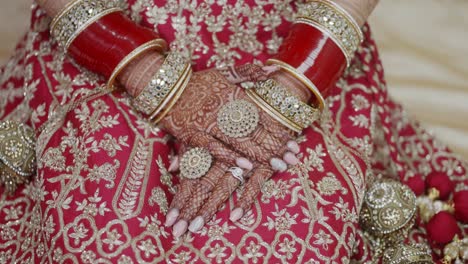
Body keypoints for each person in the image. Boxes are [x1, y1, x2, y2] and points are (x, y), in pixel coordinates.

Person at [0, 0, 466, 263]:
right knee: (99, 241)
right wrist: (156, 80)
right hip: (107, 27)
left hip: (291, 37)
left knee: (300, 242)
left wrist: (286, 90)